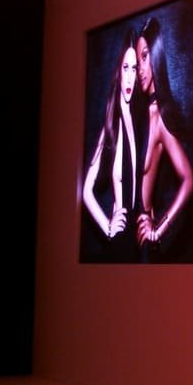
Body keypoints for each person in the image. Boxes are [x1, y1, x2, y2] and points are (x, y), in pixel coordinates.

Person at [134, 16, 193, 260]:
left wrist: (159, 229)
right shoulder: (136, 112)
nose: (140, 69)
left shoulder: (159, 117)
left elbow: (189, 180)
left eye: (145, 56)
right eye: (137, 60)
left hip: (143, 248)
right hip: (123, 242)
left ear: (156, 56)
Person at [82, 28, 144, 261]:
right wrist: (107, 225)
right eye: (125, 68)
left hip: (136, 245)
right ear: (118, 70)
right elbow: (86, 191)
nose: (129, 77)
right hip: (119, 244)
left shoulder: (137, 120)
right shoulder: (112, 125)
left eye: (134, 69)